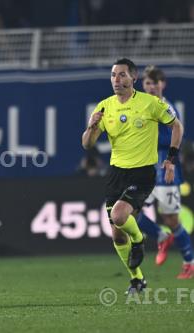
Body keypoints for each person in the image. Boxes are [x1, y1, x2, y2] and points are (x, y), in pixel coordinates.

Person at [81, 58, 183, 294]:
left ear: (133, 78)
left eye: (122, 75)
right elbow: (87, 144)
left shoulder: (150, 103)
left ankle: (138, 240)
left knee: (119, 216)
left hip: (143, 173)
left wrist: (171, 159)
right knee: (117, 235)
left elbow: (176, 126)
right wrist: (91, 128)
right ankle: (137, 280)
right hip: (117, 173)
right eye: (113, 75)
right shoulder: (104, 107)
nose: (116, 79)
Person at [137, 65, 194, 279]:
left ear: (163, 84)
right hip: (144, 171)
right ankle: (161, 235)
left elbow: (174, 137)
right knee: (130, 211)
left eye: (155, 83)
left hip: (165, 172)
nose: (151, 87)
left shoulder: (167, 108)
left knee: (171, 219)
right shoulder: (140, 106)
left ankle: (189, 262)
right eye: (148, 83)